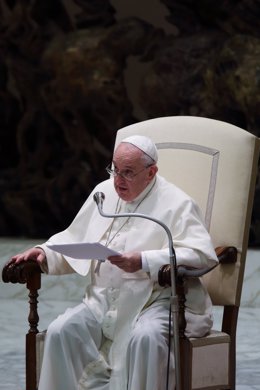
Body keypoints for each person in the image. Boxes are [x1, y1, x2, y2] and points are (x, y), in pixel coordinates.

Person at [12, 135, 218, 390]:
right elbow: (76, 235)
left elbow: (202, 254)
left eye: (128, 172)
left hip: (156, 303)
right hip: (103, 302)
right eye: (114, 169)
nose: (118, 179)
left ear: (151, 172)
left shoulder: (178, 203)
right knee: (61, 331)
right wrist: (45, 252)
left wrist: (143, 261)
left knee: (146, 338)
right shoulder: (104, 192)